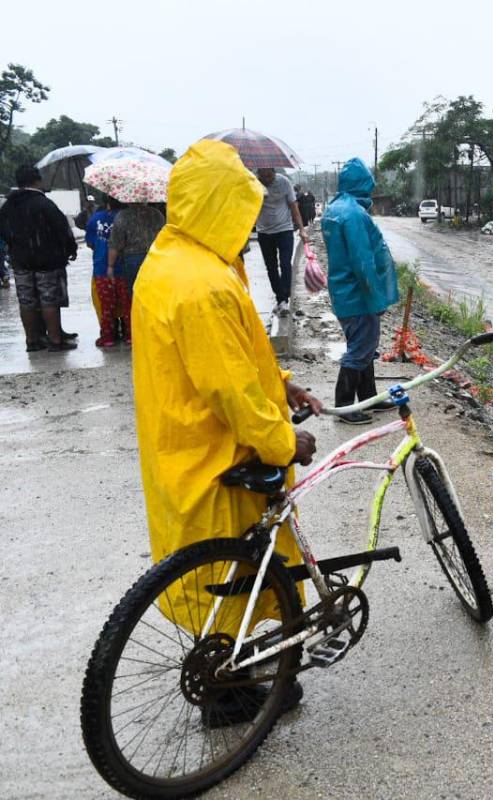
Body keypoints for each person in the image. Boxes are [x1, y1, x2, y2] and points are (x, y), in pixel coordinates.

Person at [131, 139, 322, 719]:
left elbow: (240, 355)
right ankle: (231, 694)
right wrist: (285, 440)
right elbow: (231, 388)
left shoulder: (175, 259)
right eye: (241, 213)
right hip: (216, 456)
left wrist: (283, 381)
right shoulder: (204, 285)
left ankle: (243, 678)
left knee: (226, 576)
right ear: (218, 207)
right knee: (233, 580)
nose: (248, 228)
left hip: (178, 446)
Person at [321, 158, 398, 425]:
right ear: (363, 184)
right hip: (358, 294)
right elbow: (362, 261)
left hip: (343, 291)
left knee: (365, 346)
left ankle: (370, 398)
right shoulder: (354, 214)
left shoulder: (334, 209)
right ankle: (343, 406)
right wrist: (376, 298)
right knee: (360, 349)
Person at [0, 165, 79, 352]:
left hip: (20, 261)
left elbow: (3, 232)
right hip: (47, 261)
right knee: (49, 300)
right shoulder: (45, 204)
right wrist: (70, 248)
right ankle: (55, 340)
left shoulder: (8, 205)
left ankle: (32, 341)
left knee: (26, 301)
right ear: (37, 180)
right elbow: (62, 229)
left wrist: (16, 246)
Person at [107, 200, 165, 343]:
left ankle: (141, 330)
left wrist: (110, 266)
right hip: (156, 257)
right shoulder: (157, 215)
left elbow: (116, 243)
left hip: (133, 259)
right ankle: (157, 329)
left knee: (136, 296)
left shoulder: (123, 217)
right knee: (157, 295)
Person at [254, 167, 308, 314]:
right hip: (264, 232)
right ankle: (281, 299)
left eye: (269, 176)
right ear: (258, 174)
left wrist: (302, 229)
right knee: (271, 267)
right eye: (263, 176)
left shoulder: (284, 182)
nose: (266, 179)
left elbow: (294, 206)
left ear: (274, 172)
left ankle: (284, 296)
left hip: (284, 230)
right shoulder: (253, 184)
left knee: (285, 264)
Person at [86, 197, 121, 347]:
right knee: (127, 304)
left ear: (107, 203)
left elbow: (90, 243)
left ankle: (108, 337)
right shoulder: (126, 218)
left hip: (101, 268)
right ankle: (129, 335)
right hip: (124, 268)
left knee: (106, 306)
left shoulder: (95, 219)